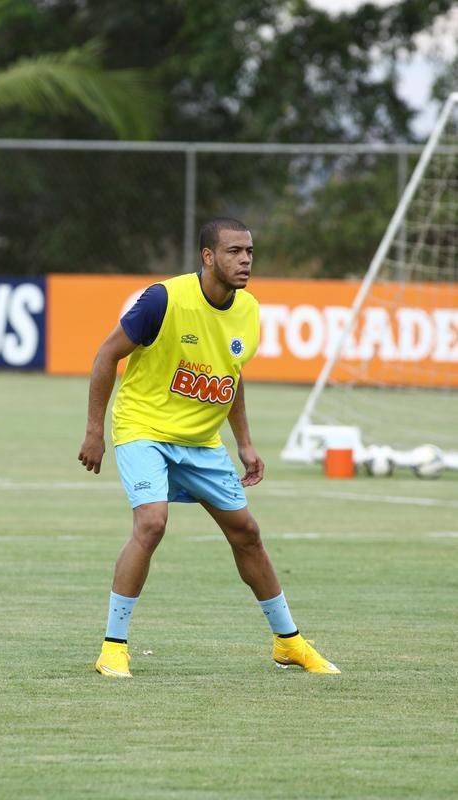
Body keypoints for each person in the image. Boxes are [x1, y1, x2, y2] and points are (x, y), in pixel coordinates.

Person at [78, 217, 340, 678]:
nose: (245, 260)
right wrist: (94, 432)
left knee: (247, 533)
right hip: (144, 429)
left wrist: (245, 442)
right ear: (208, 256)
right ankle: (113, 647)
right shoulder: (164, 299)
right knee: (152, 523)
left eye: (250, 252)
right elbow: (106, 354)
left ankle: (288, 642)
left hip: (201, 442)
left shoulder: (249, 310)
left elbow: (231, 374)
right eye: (235, 251)